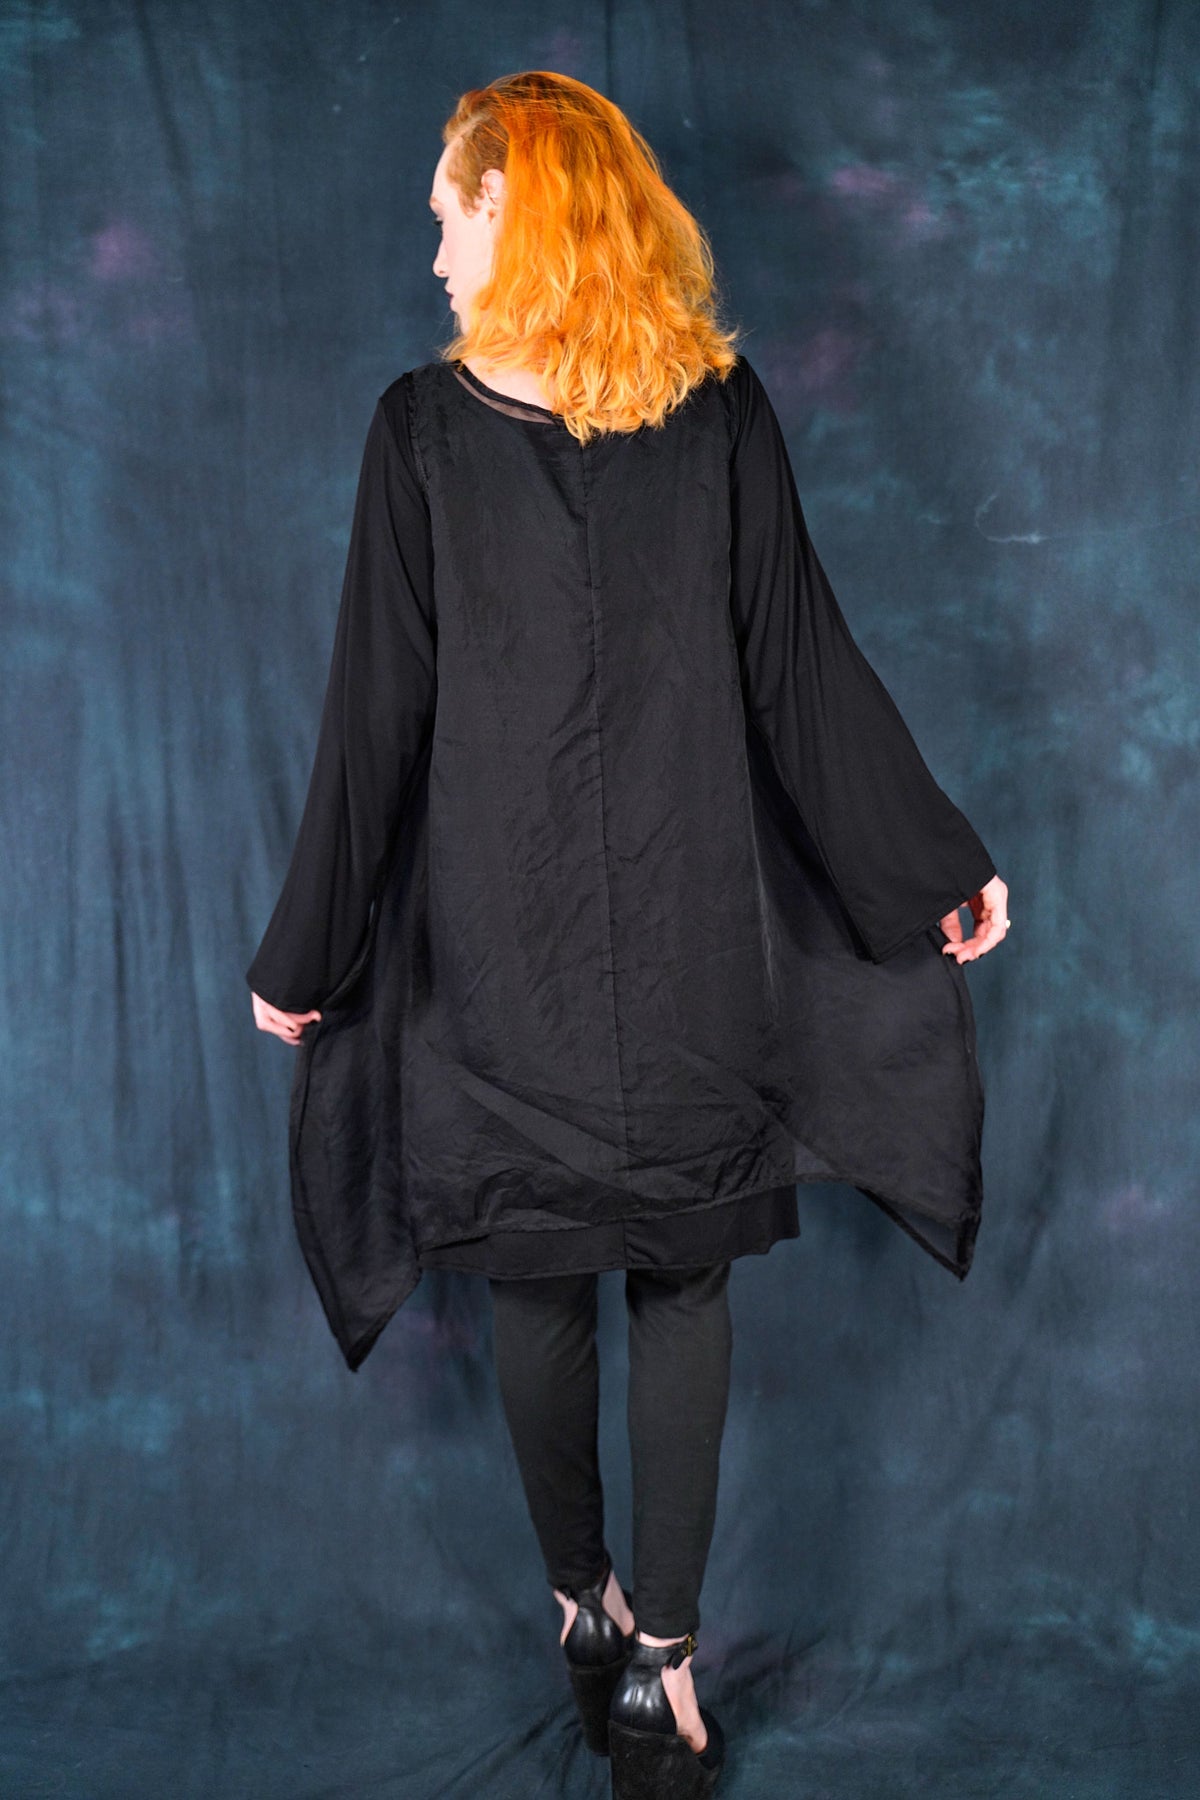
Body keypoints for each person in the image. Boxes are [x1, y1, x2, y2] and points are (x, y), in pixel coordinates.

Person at [245, 71, 1009, 1797]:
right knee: (679, 1284)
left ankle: (582, 1610)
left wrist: (307, 956)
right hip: (685, 949)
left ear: (513, 212)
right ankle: (667, 1673)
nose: (433, 255)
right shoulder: (718, 412)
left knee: (538, 1275)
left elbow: (374, 728)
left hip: (496, 955)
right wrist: (930, 865)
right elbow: (802, 674)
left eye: (448, 217)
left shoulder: (420, 434)